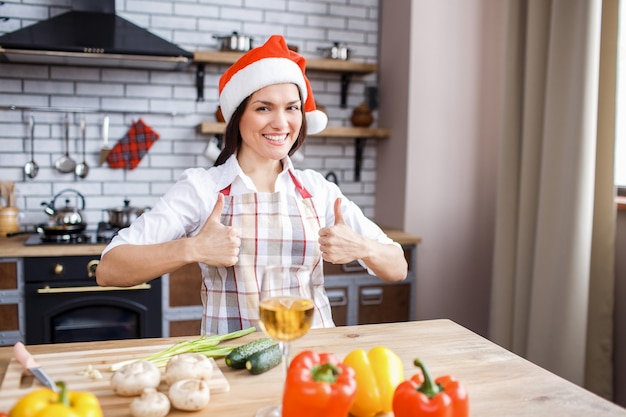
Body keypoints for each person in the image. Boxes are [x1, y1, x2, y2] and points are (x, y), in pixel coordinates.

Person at [96, 35, 408, 335]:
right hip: (234, 363)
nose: (281, 122)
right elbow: (109, 269)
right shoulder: (203, 188)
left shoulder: (317, 190)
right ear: (238, 116)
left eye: (291, 107)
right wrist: (192, 248)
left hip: (310, 359)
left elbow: (397, 268)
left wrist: (361, 247)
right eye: (263, 108)